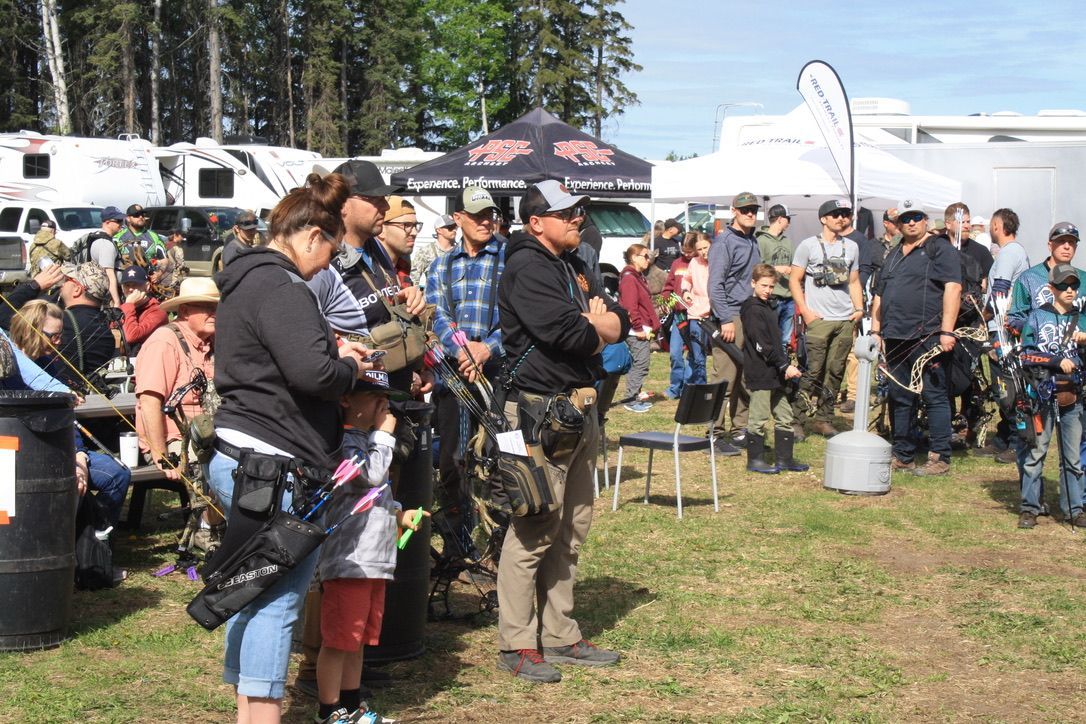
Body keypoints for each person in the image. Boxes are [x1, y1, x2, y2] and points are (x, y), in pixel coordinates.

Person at [206, 172, 373, 723]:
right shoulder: (282, 286)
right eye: (328, 253)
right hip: (271, 466)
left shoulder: (247, 280)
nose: (327, 266)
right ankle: (263, 716)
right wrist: (350, 364)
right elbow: (312, 374)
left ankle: (249, 713)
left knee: (249, 592)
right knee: (276, 601)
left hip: (248, 458)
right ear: (311, 237)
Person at [496, 180, 629, 683]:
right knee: (534, 526)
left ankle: (559, 634)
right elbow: (570, 332)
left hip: (578, 410)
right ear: (536, 222)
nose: (578, 218)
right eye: (567, 212)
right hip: (535, 416)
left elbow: (622, 317)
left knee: (572, 525)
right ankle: (516, 642)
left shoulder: (570, 264)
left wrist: (603, 321)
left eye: (579, 210)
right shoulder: (527, 265)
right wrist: (597, 323)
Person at [314, 369, 424, 724]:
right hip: (350, 562)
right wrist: (384, 435)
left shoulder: (370, 442)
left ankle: (351, 705)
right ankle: (329, 711)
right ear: (346, 399)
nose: (383, 406)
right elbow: (369, 478)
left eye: (386, 399)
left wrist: (398, 513)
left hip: (375, 561)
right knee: (339, 640)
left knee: (358, 640)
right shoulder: (345, 442)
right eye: (374, 398)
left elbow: (378, 495)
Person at [425, 186, 505, 550]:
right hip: (455, 373)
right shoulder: (442, 264)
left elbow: (517, 318)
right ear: (458, 220)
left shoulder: (508, 257)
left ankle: (500, 539)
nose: (486, 221)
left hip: (497, 371)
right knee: (454, 459)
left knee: (500, 456)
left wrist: (485, 348)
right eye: (477, 216)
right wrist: (462, 350)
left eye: (490, 214)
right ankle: (458, 541)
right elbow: (436, 312)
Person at [869, 201, 961, 477]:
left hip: (928, 336)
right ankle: (903, 454)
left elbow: (953, 288)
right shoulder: (893, 253)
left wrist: (947, 330)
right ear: (898, 224)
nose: (911, 223)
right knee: (900, 396)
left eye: (916, 218)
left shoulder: (939, 249)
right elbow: (880, 294)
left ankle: (939, 456)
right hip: (895, 337)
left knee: (934, 395)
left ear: (925, 220)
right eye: (906, 219)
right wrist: (876, 330)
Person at [1016, 264, 1086, 529]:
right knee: (1036, 454)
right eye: (1063, 285)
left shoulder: (1082, 318)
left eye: (1073, 285)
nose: (1069, 290)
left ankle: (1074, 509)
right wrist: (1055, 361)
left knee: (1072, 458)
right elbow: (1026, 354)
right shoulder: (1036, 317)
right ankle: (1029, 507)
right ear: (1051, 288)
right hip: (1043, 394)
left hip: (1073, 395)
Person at [790, 199, 864, 438]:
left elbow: (853, 281)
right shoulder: (807, 246)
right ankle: (797, 419)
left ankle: (824, 418)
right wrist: (806, 312)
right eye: (835, 215)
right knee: (813, 370)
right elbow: (794, 279)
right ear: (823, 219)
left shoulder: (852, 247)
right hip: (818, 320)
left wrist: (859, 308)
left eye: (845, 214)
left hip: (844, 320)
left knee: (835, 371)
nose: (841, 218)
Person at [741, 264, 807, 474]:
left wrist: (784, 364)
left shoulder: (769, 306)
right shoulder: (751, 309)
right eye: (763, 286)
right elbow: (761, 344)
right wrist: (783, 365)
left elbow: (775, 341)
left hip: (776, 373)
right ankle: (755, 460)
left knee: (785, 415)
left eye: (771, 286)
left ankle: (785, 459)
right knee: (758, 418)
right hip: (761, 372)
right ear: (753, 283)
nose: (767, 290)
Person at [707, 192, 761, 447]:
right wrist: (726, 318)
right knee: (725, 377)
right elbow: (715, 285)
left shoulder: (753, 241)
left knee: (746, 376)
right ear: (734, 212)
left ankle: (741, 428)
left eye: (753, 209)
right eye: (745, 210)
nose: (750, 214)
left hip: (750, 315)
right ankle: (714, 431)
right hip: (732, 316)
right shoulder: (724, 242)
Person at [977, 208, 1031, 461]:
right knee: (1002, 387)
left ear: (998, 225)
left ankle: (1017, 441)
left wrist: (984, 316)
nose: (990, 228)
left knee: (1008, 386)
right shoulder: (1010, 252)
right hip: (1000, 328)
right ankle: (1003, 437)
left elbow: (1001, 290)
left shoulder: (1010, 252)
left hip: (1004, 331)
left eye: (991, 224)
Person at [618, 242, 659, 412]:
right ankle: (631, 398)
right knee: (641, 363)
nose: (648, 260)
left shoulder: (637, 276)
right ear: (634, 257)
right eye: (645, 256)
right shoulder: (629, 278)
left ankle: (635, 396)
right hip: (635, 330)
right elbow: (630, 307)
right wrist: (639, 328)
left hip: (640, 328)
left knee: (640, 362)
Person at [756, 204, 796, 349]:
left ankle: (783, 368)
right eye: (788, 218)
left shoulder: (787, 241)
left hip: (788, 297)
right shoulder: (761, 241)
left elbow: (794, 264)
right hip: (771, 297)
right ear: (780, 219)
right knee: (769, 337)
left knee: (784, 339)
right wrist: (776, 268)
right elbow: (756, 268)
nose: (789, 222)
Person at [678, 233, 713, 394]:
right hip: (696, 313)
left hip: (714, 313)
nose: (703, 252)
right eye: (699, 249)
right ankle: (701, 389)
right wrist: (685, 291)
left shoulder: (717, 261)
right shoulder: (694, 262)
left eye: (705, 247)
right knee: (698, 356)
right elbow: (687, 279)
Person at [118, 265, 167, 349]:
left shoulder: (158, 311)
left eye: (135, 285)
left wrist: (129, 304)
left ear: (147, 286)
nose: (130, 289)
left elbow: (131, 336)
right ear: (122, 288)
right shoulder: (124, 307)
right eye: (127, 285)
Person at [411, 214, 457, 287]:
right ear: (439, 230)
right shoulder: (426, 252)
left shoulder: (460, 250)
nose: (454, 230)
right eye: (450, 227)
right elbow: (413, 279)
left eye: (455, 227)